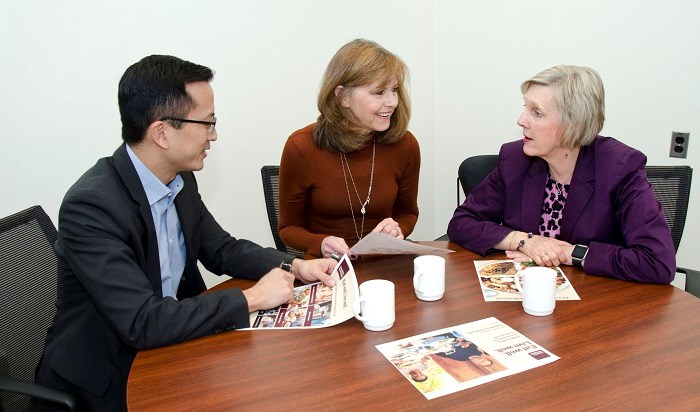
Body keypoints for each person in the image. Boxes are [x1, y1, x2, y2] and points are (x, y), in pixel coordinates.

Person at [35, 55, 337, 411]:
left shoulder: (178, 179)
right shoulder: (92, 206)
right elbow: (141, 320)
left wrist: (295, 266)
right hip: (106, 379)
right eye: (207, 123)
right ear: (162, 132)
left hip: (170, 349)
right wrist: (250, 299)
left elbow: (221, 249)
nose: (214, 135)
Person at [447, 65, 675, 284]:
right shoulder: (515, 158)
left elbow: (657, 262)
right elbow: (461, 223)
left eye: (536, 112)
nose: (521, 120)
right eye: (525, 107)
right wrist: (524, 241)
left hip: (598, 303)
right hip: (525, 294)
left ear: (572, 124)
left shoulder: (620, 168)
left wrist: (569, 254)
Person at [278, 38, 421, 258]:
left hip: (385, 262)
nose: (392, 101)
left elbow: (408, 213)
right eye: (379, 92)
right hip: (325, 267)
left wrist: (398, 228)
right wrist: (321, 242)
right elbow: (288, 228)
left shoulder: (405, 144)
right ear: (343, 97)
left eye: (394, 90)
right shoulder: (301, 147)